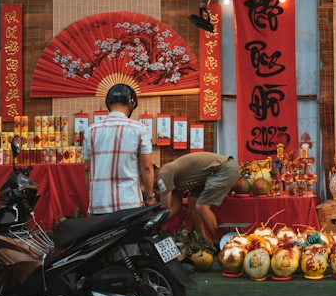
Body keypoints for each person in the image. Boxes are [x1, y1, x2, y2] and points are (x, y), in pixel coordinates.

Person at [82, 83, 154, 215]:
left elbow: (87, 169)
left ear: (108, 104)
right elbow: (147, 167)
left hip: (99, 205)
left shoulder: (91, 131)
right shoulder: (139, 129)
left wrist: (93, 197)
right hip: (129, 205)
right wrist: (149, 197)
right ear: (131, 104)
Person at [156, 151, 239, 245]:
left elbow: (165, 207)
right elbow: (176, 207)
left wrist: (152, 225)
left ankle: (217, 243)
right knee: (192, 200)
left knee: (201, 207)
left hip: (224, 169)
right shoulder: (172, 180)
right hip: (213, 174)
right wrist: (158, 224)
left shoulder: (163, 174)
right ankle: (201, 240)